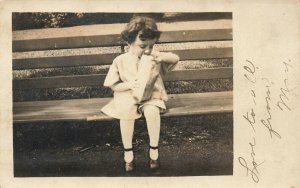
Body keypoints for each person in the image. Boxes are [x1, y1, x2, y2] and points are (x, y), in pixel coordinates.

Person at [101, 16, 179, 172]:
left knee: (152, 112)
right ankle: (128, 153)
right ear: (129, 42)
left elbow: (175, 59)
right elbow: (114, 85)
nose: (148, 50)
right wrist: (129, 84)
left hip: (151, 96)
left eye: (152, 45)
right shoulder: (120, 60)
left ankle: (154, 151)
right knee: (126, 115)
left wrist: (162, 56)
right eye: (143, 46)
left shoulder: (154, 57)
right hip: (128, 96)